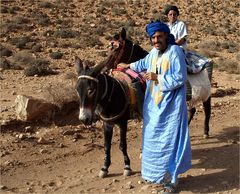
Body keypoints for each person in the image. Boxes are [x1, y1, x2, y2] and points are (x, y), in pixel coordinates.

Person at [118, 21, 192, 193]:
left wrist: (157, 77)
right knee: (153, 140)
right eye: (153, 38)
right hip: (154, 106)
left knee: (170, 143)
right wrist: (128, 66)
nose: (156, 40)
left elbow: (180, 77)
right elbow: (142, 63)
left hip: (172, 107)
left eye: (159, 36)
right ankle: (157, 174)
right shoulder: (153, 53)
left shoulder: (175, 51)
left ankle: (172, 181)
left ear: (166, 35)